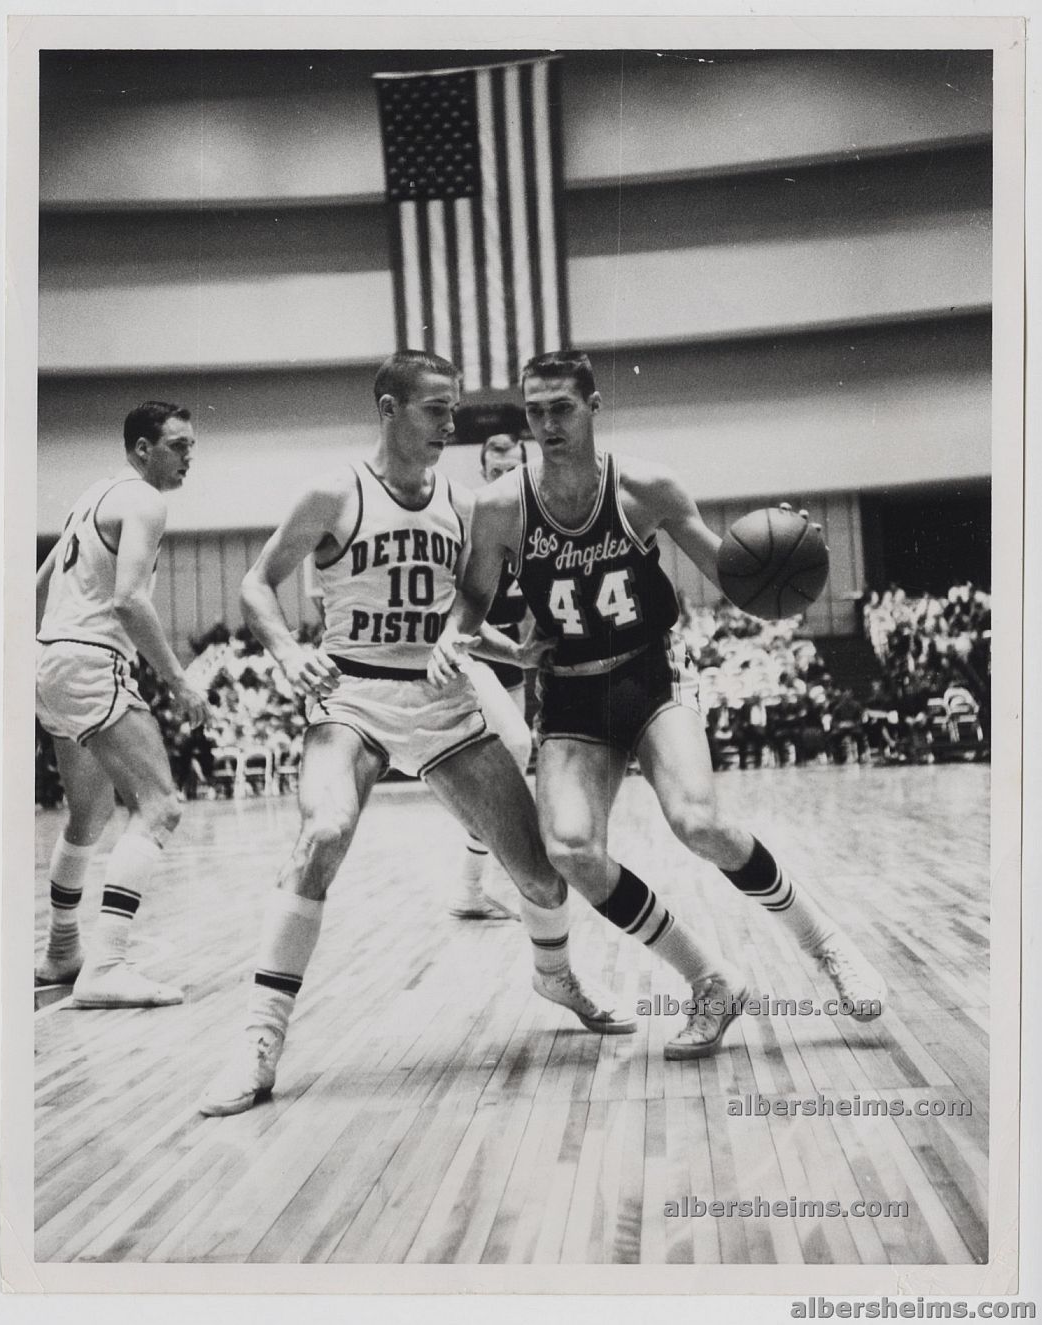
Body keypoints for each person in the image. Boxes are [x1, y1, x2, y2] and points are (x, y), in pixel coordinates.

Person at [198, 351, 634, 1118]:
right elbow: (255, 583)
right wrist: (288, 650)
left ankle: (555, 975)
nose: (449, 423)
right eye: (436, 408)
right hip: (352, 697)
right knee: (322, 831)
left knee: (541, 878)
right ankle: (259, 1040)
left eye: (453, 408)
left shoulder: (461, 505)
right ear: (389, 409)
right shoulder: (334, 492)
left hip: (439, 701)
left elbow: (455, 617)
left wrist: (515, 652)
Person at [430, 350, 886, 1056]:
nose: (548, 424)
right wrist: (460, 639)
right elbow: (470, 602)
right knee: (571, 850)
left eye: (561, 408)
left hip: (648, 679)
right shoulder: (500, 507)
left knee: (699, 822)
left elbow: (734, 579)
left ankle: (825, 943)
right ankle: (710, 980)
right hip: (569, 694)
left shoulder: (645, 488)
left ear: (593, 406)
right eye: (535, 411)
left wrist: (791, 557)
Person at [35, 400, 208, 1007]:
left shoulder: (93, 496)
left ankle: (62, 950)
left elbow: (39, 584)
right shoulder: (145, 502)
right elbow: (130, 601)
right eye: (178, 446)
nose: (189, 457)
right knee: (160, 806)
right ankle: (106, 965)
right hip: (90, 661)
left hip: (50, 658)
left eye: (191, 446)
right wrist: (180, 682)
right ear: (142, 449)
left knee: (89, 813)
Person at [450, 432, 534, 921]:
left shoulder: (537, 522)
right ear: (483, 473)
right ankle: (481, 884)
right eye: (496, 472)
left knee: (512, 772)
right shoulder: (470, 519)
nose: (504, 478)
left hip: (511, 658)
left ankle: (472, 888)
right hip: (467, 648)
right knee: (516, 746)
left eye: (512, 471)